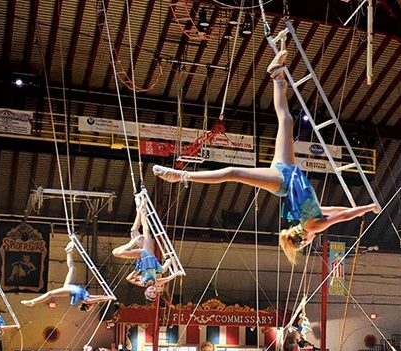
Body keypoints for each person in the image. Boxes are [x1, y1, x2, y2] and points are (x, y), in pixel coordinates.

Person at [153, 46, 379, 265]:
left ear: (305, 238)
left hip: (282, 180)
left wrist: (367, 209)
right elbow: (338, 212)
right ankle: (276, 75)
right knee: (287, 121)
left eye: (307, 243)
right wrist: (360, 211)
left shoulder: (313, 226)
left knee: (233, 172)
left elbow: (342, 217)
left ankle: (182, 176)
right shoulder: (314, 219)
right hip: (288, 170)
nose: (312, 241)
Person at [112, 195, 182, 300]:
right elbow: (167, 277)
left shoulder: (142, 282)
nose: (153, 290)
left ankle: (139, 209)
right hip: (149, 254)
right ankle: (141, 208)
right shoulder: (156, 280)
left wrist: (136, 270)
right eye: (154, 292)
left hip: (142, 256)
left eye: (150, 292)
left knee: (118, 251)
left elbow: (129, 279)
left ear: (146, 292)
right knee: (145, 230)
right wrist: (175, 269)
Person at [21, 242, 114, 310]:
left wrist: (108, 298)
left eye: (91, 307)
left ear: (88, 305)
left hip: (69, 290)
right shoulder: (88, 298)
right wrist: (108, 297)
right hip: (70, 287)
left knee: (51, 293)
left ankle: (33, 302)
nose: (93, 306)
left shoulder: (86, 300)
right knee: (72, 269)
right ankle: (68, 252)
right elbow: (98, 299)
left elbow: (98, 298)